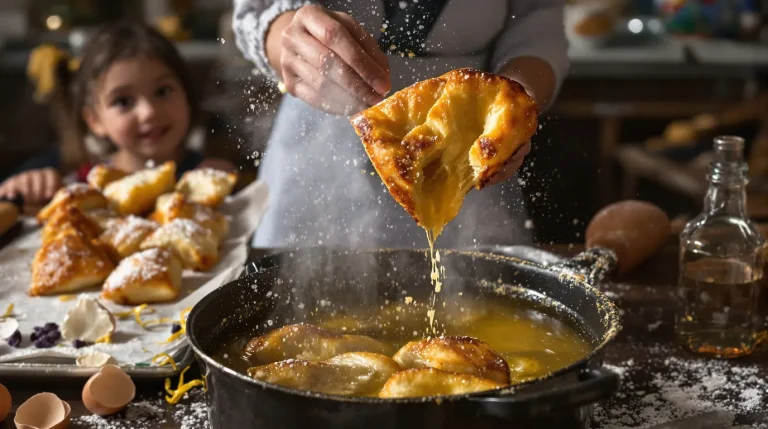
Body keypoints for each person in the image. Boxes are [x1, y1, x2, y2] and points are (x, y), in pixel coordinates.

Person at [233, 0, 568, 248]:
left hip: (478, 146)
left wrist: (513, 107)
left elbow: (537, 23)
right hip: (317, 156)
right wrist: (291, 40)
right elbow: (257, 10)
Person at [0, 22, 235, 211]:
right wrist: (25, 187)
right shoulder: (79, 189)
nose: (149, 111)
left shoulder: (208, 176)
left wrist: (230, 191)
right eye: (123, 101)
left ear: (186, 93)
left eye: (162, 91)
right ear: (95, 121)